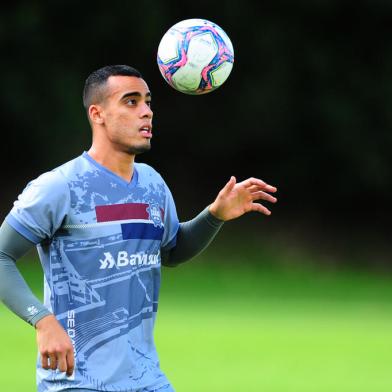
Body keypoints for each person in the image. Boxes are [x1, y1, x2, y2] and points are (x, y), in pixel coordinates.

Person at [0, 65, 277, 392]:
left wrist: (214, 215)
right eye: (131, 102)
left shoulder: (151, 184)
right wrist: (43, 321)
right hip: (77, 381)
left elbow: (173, 250)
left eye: (147, 102)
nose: (146, 112)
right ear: (97, 114)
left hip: (147, 379)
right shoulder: (59, 186)